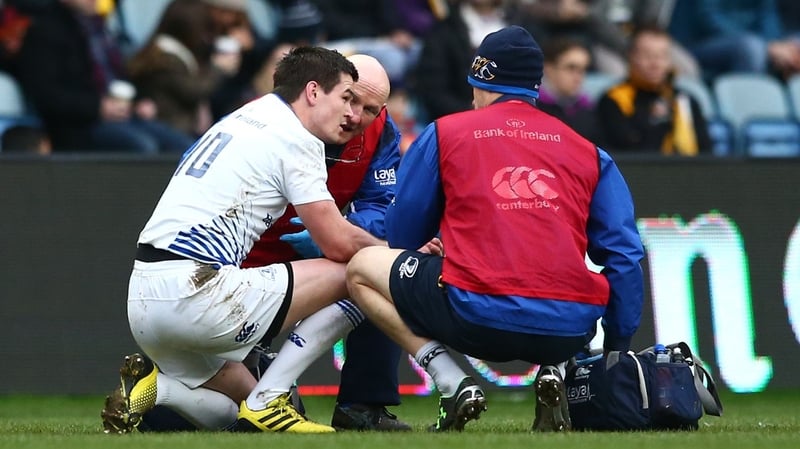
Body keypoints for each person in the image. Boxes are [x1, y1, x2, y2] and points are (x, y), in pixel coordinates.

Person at [345, 25, 645, 432]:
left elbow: (403, 237)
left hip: (473, 318)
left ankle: (452, 382)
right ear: (536, 87)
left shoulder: (446, 133)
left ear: (479, 81)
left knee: (363, 267)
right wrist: (617, 348)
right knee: (561, 275)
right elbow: (625, 257)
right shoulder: (589, 151)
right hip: (569, 329)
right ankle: (556, 370)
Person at [100, 46, 386, 435]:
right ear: (314, 92)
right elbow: (337, 243)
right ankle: (270, 400)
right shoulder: (297, 138)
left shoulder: (239, 118)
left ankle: (158, 389)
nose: (353, 114)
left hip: (144, 301)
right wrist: (398, 257)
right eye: (347, 98)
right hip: (198, 291)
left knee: (240, 409)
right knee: (364, 272)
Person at [14, 0, 195, 153]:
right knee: (144, 147)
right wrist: (98, 107)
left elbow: (121, 77)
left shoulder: (99, 29)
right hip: (79, 125)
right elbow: (47, 95)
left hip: (123, 116)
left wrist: (140, 101)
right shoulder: (45, 31)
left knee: (184, 147)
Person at [595, 25, 712, 155]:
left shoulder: (686, 100)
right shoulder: (613, 100)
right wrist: (657, 123)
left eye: (662, 56)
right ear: (630, 57)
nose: (655, 64)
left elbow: (706, 152)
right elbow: (625, 153)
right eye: (647, 56)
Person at [537, 36, 601, 142]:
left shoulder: (588, 109)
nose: (578, 77)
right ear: (548, 68)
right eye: (571, 68)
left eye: (582, 69)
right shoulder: (531, 106)